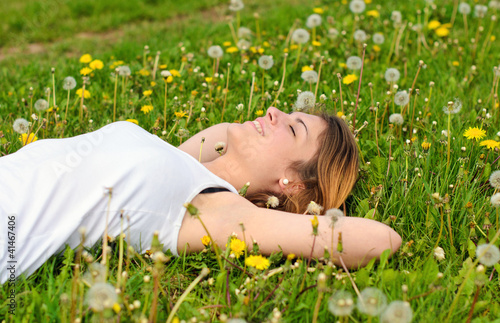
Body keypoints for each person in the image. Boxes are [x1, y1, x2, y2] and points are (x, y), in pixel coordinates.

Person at [0, 107, 401, 283]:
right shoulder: (185, 163)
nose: (274, 111)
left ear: (292, 183)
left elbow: (382, 240)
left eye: (294, 129)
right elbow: (220, 131)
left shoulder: (218, 210)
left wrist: (294, 212)